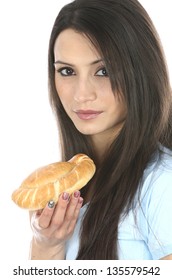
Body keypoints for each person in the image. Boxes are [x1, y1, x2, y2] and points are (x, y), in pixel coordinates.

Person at [29, 0, 172, 260]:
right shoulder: (72, 186)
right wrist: (47, 245)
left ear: (141, 72)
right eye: (67, 71)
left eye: (103, 71)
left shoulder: (163, 183)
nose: (82, 94)